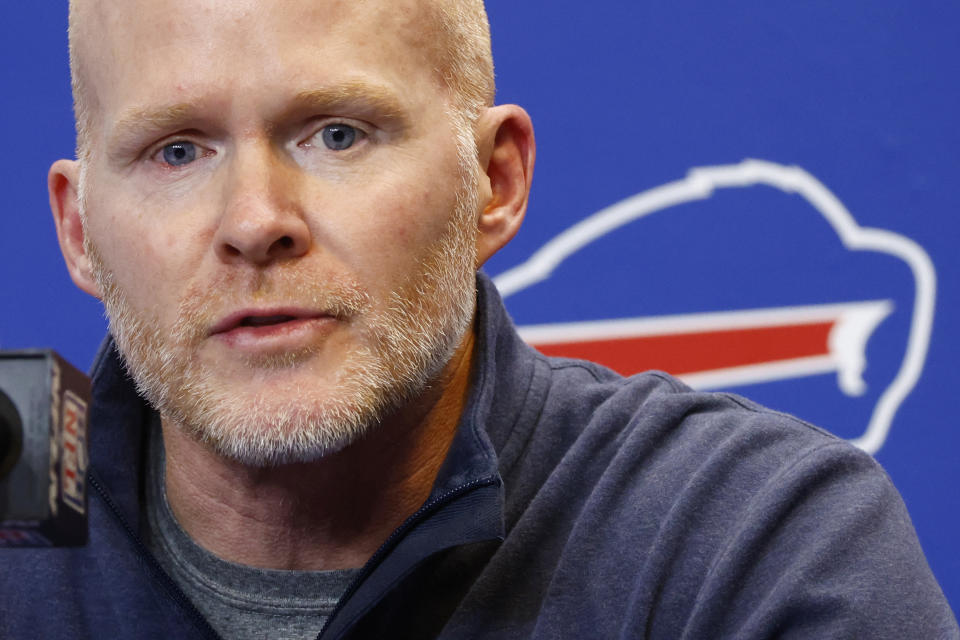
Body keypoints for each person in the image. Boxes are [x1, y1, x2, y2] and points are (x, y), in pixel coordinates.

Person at [0, 0, 956, 638]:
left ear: (492, 182)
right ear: (80, 229)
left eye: (337, 134)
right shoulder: (16, 489)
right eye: (177, 152)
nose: (255, 222)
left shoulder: (745, 541)